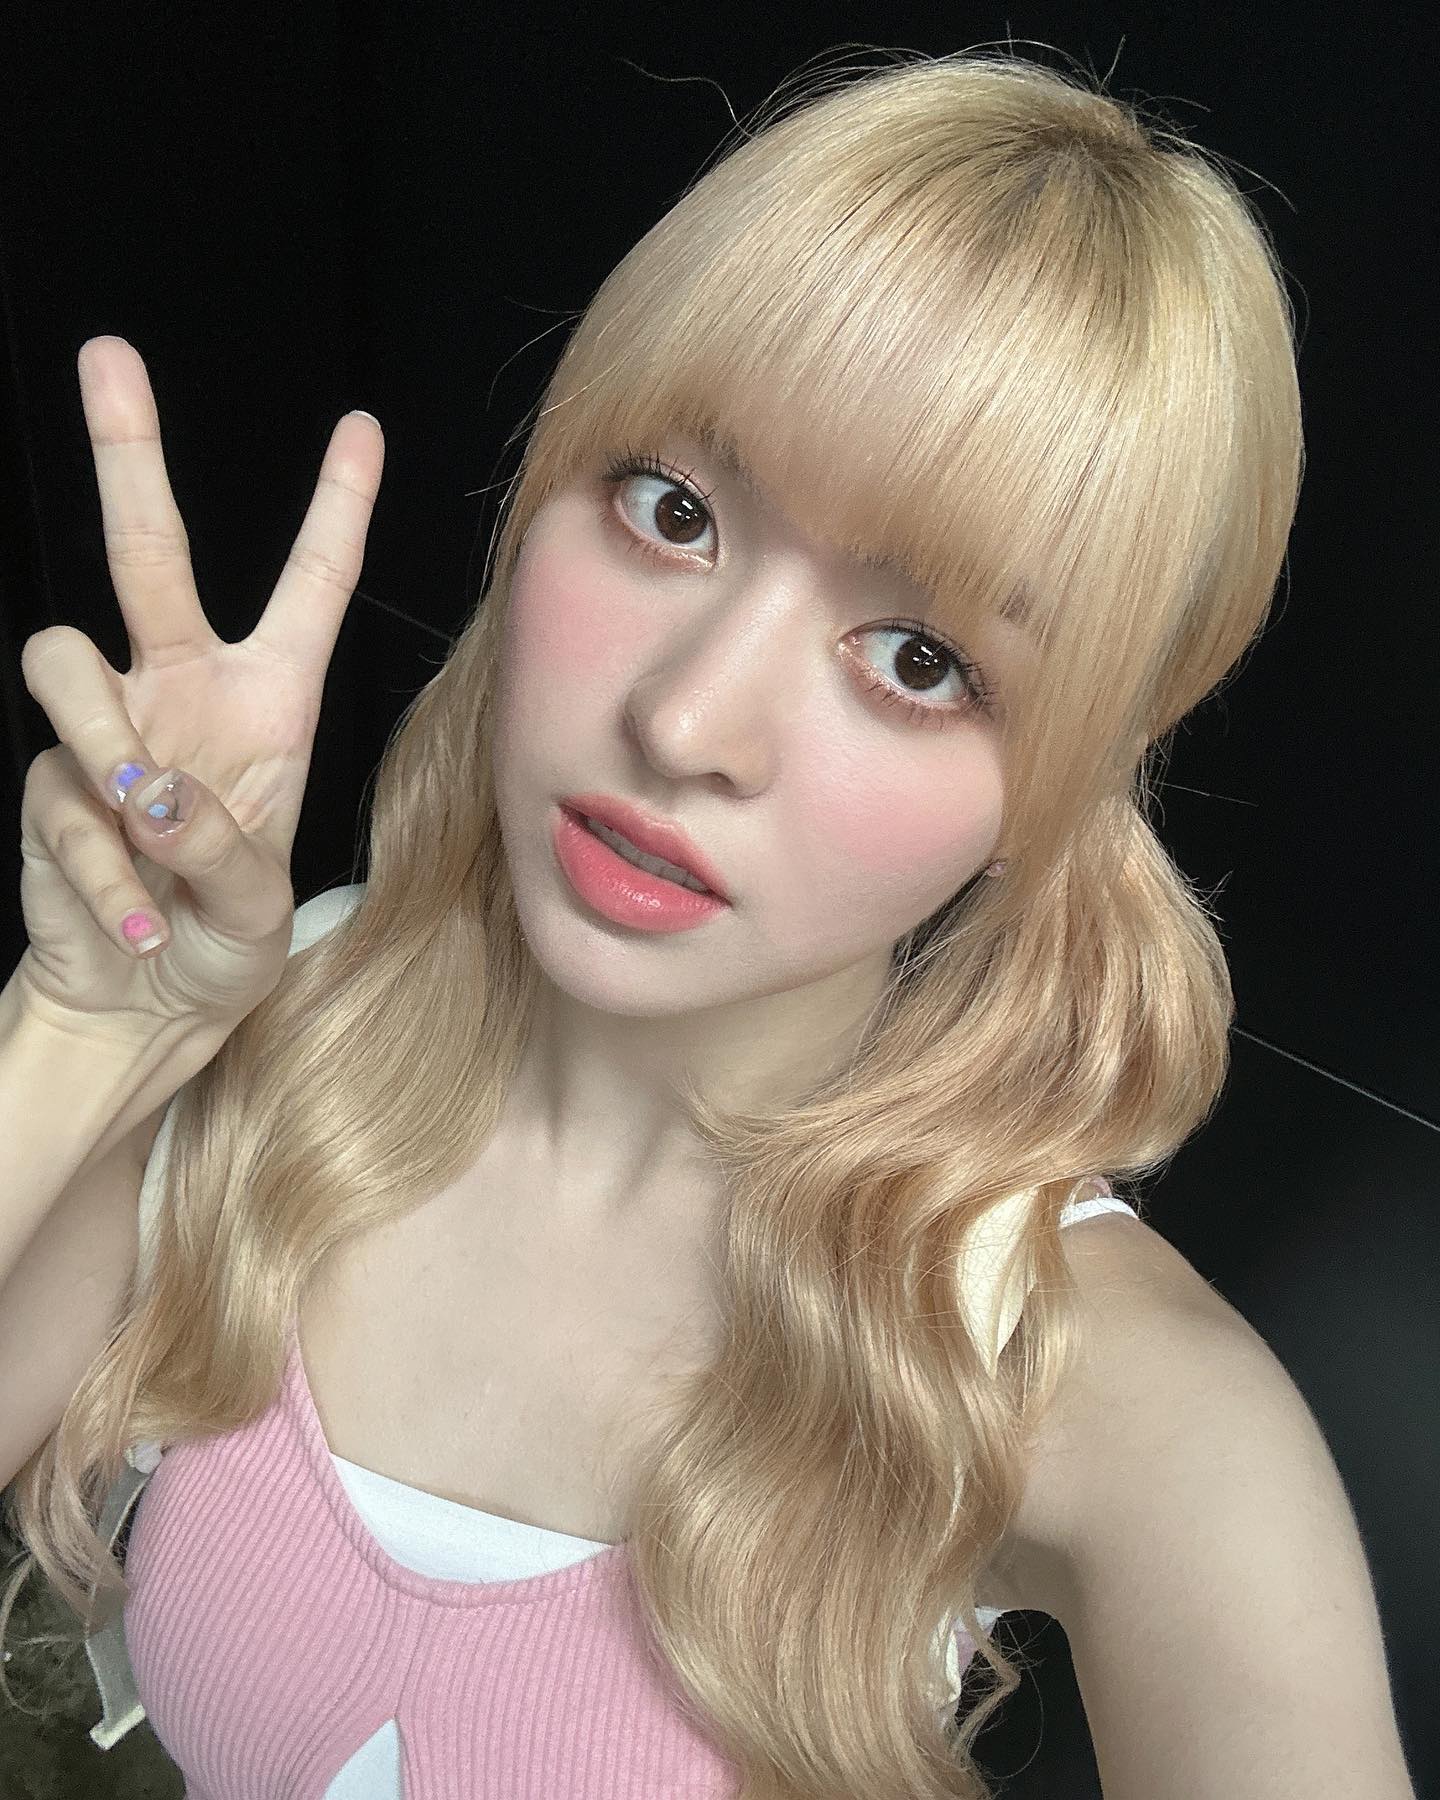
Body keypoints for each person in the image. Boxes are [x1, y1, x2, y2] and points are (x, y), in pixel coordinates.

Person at [0, 43, 1414, 1800]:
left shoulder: (1134, 1415)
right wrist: (93, 1027)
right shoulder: (278, 1029)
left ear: (1061, 787)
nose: (683, 723)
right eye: (672, 512)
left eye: (921, 661)